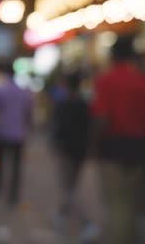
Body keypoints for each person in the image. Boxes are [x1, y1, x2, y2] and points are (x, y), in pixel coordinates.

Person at [91, 36, 145, 244]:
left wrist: (93, 145)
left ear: (113, 56)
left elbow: (101, 118)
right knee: (133, 204)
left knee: (117, 204)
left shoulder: (107, 80)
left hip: (113, 148)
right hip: (139, 147)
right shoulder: (144, 81)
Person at [0, 65, 33, 207]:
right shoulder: (23, 93)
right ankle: (13, 194)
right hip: (18, 133)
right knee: (16, 166)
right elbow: (28, 113)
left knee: (0, 162)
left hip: (2, 131)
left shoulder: (1, 91)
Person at [52, 73, 90, 224]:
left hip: (66, 150)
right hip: (79, 151)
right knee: (71, 185)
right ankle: (62, 215)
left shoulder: (64, 105)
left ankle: (86, 222)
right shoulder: (84, 104)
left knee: (68, 188)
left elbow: (58, 128)